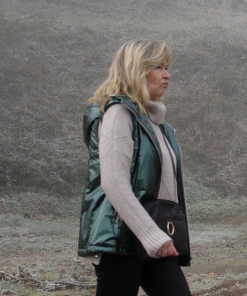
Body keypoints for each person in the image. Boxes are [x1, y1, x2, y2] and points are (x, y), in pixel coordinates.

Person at [78, 40, 191, 296]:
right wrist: (154, 235)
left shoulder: (159, 124)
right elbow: (113, 182)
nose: (167, 74)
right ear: (137, 70)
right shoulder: (118, 113)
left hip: (153, 236)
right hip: (120, 240)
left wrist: (163, 234)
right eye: (159, 67)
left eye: (167, 67)